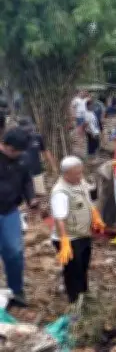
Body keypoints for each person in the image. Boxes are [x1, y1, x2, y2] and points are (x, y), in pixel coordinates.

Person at [51, 156, 105, 307]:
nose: (80, 176)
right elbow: (59, 218)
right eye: (76, 174)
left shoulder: (80, 182)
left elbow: (87, 201)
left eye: (81, 173)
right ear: (66, 174)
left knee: (83, 268)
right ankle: (74, 303)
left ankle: (84, 296)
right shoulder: (60, 192)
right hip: (69, 238)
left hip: (83, 235)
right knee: (73, 272)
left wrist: (95, 216)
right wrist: (64, 240)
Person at [0, 128, 36, 307]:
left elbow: (27, 180)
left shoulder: (23, 160)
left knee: (14, 251)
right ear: (5, 146)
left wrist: (31, 198)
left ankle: (16, 290)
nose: (17, 155)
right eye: (15, 151)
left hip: (9, 211)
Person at [18, 118, 57, 199]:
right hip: (23, 174)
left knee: (41, 196)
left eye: (29, 127)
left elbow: (46, 151)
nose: (28, 130)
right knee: (29, 200)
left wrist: (53, 166)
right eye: (25, 128)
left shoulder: (37, 137)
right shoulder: (17, 139)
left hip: (37, 172)